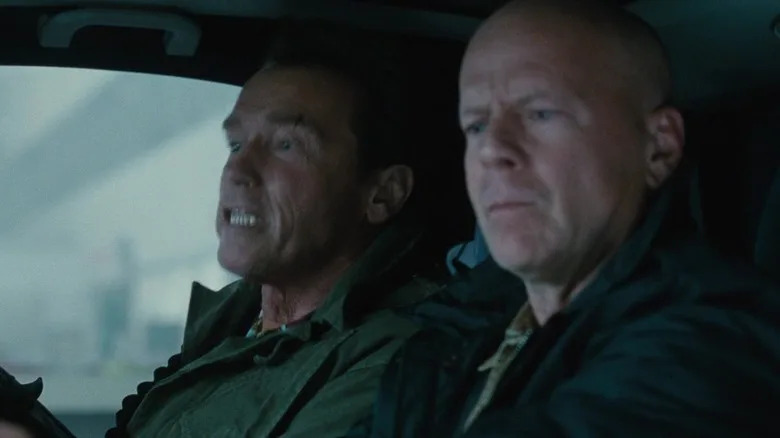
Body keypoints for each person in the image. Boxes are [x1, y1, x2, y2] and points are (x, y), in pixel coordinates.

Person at [347, 1, 780, 436]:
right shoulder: (455, 332)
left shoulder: (714, 340)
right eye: (475, 126)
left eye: (541, 113)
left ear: (658, 147)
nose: (491, 149)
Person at [104, 22, 444, 438]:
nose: (237, 170)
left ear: (382, 194)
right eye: (235, 144)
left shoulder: (391, 362)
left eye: (286, 145)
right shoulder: (232, 322)